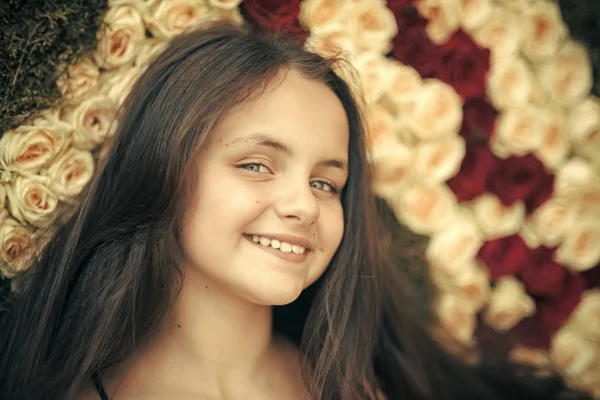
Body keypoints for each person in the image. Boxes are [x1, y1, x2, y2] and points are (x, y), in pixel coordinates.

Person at [0, 23, 592, 400]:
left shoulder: (362, 385)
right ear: (162, 169)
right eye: (256, 164)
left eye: (326, 182)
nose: (303, 205)